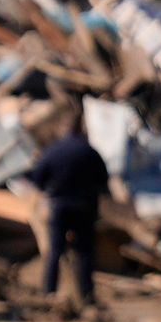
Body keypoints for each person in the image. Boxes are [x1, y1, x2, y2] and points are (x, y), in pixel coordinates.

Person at [32, 116, 109, 309]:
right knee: (84, 252)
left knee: (55, 250)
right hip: (84, 206)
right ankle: (87, 295)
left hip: (59, 205)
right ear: (81, 129)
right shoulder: (89, 151)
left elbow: (38, 178)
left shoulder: (53, 151)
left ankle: (49, 291)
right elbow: (103, 179)